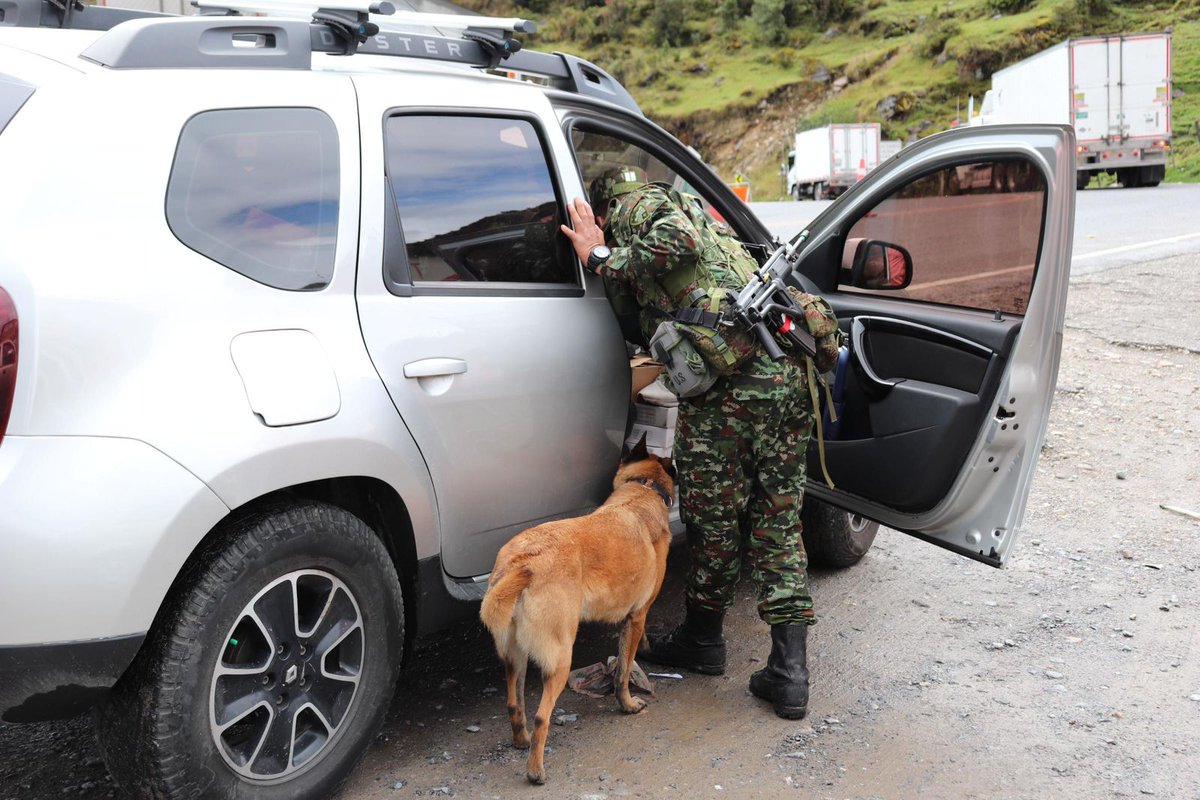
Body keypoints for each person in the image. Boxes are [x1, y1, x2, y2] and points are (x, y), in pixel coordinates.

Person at [560, 168, 818, 720]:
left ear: (604, 209)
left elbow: (677, 240)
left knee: (714, 520)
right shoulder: (699, 211)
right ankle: (789, 673)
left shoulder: (636, 208)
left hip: (731, 391)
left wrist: (599, 256)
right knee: (777, 519)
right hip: (787, 375)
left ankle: (704, 640)